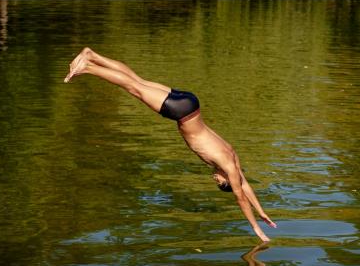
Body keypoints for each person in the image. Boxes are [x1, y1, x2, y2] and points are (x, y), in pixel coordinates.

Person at [64, 47, 277, 242]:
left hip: (191, 103)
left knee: (138, 80)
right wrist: (257, 228)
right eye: (219, 182)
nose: (215, 178)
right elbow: (241, 195)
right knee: (134, 87)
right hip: (180, 112)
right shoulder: (227, 166)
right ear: (227, 180)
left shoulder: (232, 158)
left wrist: (262, 212)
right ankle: (89, 68)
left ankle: (92, 56)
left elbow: (244, 184)